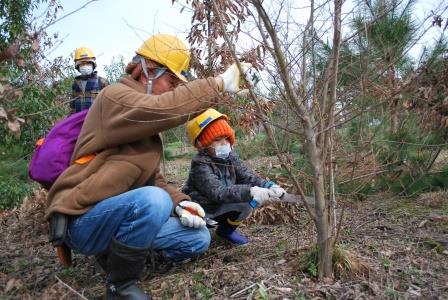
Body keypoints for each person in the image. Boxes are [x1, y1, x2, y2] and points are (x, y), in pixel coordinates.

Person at [45, 34, 258, 299]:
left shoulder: (142, 127)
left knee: (197, 237)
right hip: (84, 218)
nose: (173, 89)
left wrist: (181, 203)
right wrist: (219, 83)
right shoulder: (115, 97)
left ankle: (117, 253)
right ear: (149, 70)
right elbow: (163, 109)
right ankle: (120, 286)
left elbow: (152, 179)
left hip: (119, 215)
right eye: (171, 81)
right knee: (153, 201)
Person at [182, 108, 286, 246]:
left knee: (247, 203)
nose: (224, 143)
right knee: (198, 236)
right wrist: (251, 191)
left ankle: (225, 231)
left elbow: (247, 176)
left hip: (220, 206)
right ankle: (196, 233)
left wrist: (268, 186)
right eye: (218, 140)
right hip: (202, 210)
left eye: (226, 138)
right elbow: (218, 192)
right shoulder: (200, 164)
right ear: (203, 145)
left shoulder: (231, 157)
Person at [70, 46, 109, 113]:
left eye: (88, 63)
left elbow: (109, 104)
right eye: (82, 64)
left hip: (97, 120)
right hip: (80, 122)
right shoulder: (75, 84)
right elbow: (73, 106)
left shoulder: (102, 81)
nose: (85, 66)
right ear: (77, 67)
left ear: (93, 64)